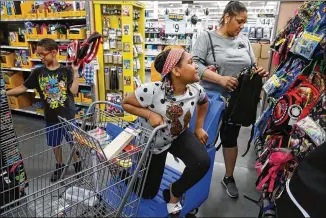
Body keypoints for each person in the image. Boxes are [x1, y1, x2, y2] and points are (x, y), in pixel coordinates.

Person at [192, 1, 269, 198]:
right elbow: (194, 65)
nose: (242, 26)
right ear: (227, 17)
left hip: (236, 102)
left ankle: (228, 177)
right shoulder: (207, 37)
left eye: (245, 22)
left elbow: (251, 65)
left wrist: (257, 71)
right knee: (204, 140)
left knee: (230, 139)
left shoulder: (244, 40)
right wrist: (220, 79)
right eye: (239, 21)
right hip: (210, 101)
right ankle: (194, 182)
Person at [122, 48, 210, 215]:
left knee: (202, 162)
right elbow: (125, 103)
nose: (196, 66)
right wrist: (149, 114)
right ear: (176, 71)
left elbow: (204, 102)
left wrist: (198, 127)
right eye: (191, 62)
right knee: (148, 192)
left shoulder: (195, 89)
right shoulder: (152, 90)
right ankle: (123, 174)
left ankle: (173, 192)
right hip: (153, 143)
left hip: (178, 135)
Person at [5, 38, 82, 182]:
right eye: (38, 54)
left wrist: (75, 72)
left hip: (68, 116)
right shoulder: (37, 72)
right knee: (55, 144)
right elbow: (22, 88)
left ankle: (78, 163)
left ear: (53, 52)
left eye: (42, 54)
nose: (40, 57)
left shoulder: (66, 71)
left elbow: (74, 90)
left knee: (74, 142)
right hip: (50, 117)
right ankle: (59, 165)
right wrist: (5, 93)